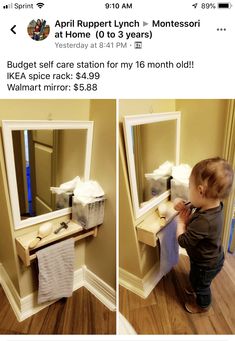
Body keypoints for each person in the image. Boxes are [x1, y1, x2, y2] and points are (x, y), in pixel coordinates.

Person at [174, 157, 234, 313]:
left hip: (205, 264)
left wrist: (181, 223)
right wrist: (182, 203)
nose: (188, 190)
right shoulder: (212, 204)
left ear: (200, 191)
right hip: (208, 258)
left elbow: (183, 241)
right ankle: (195, 283)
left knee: (202, 286)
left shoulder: (205, 221)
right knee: (195, 277)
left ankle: (202, 305)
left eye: (189, 187)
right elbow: (195, 204)